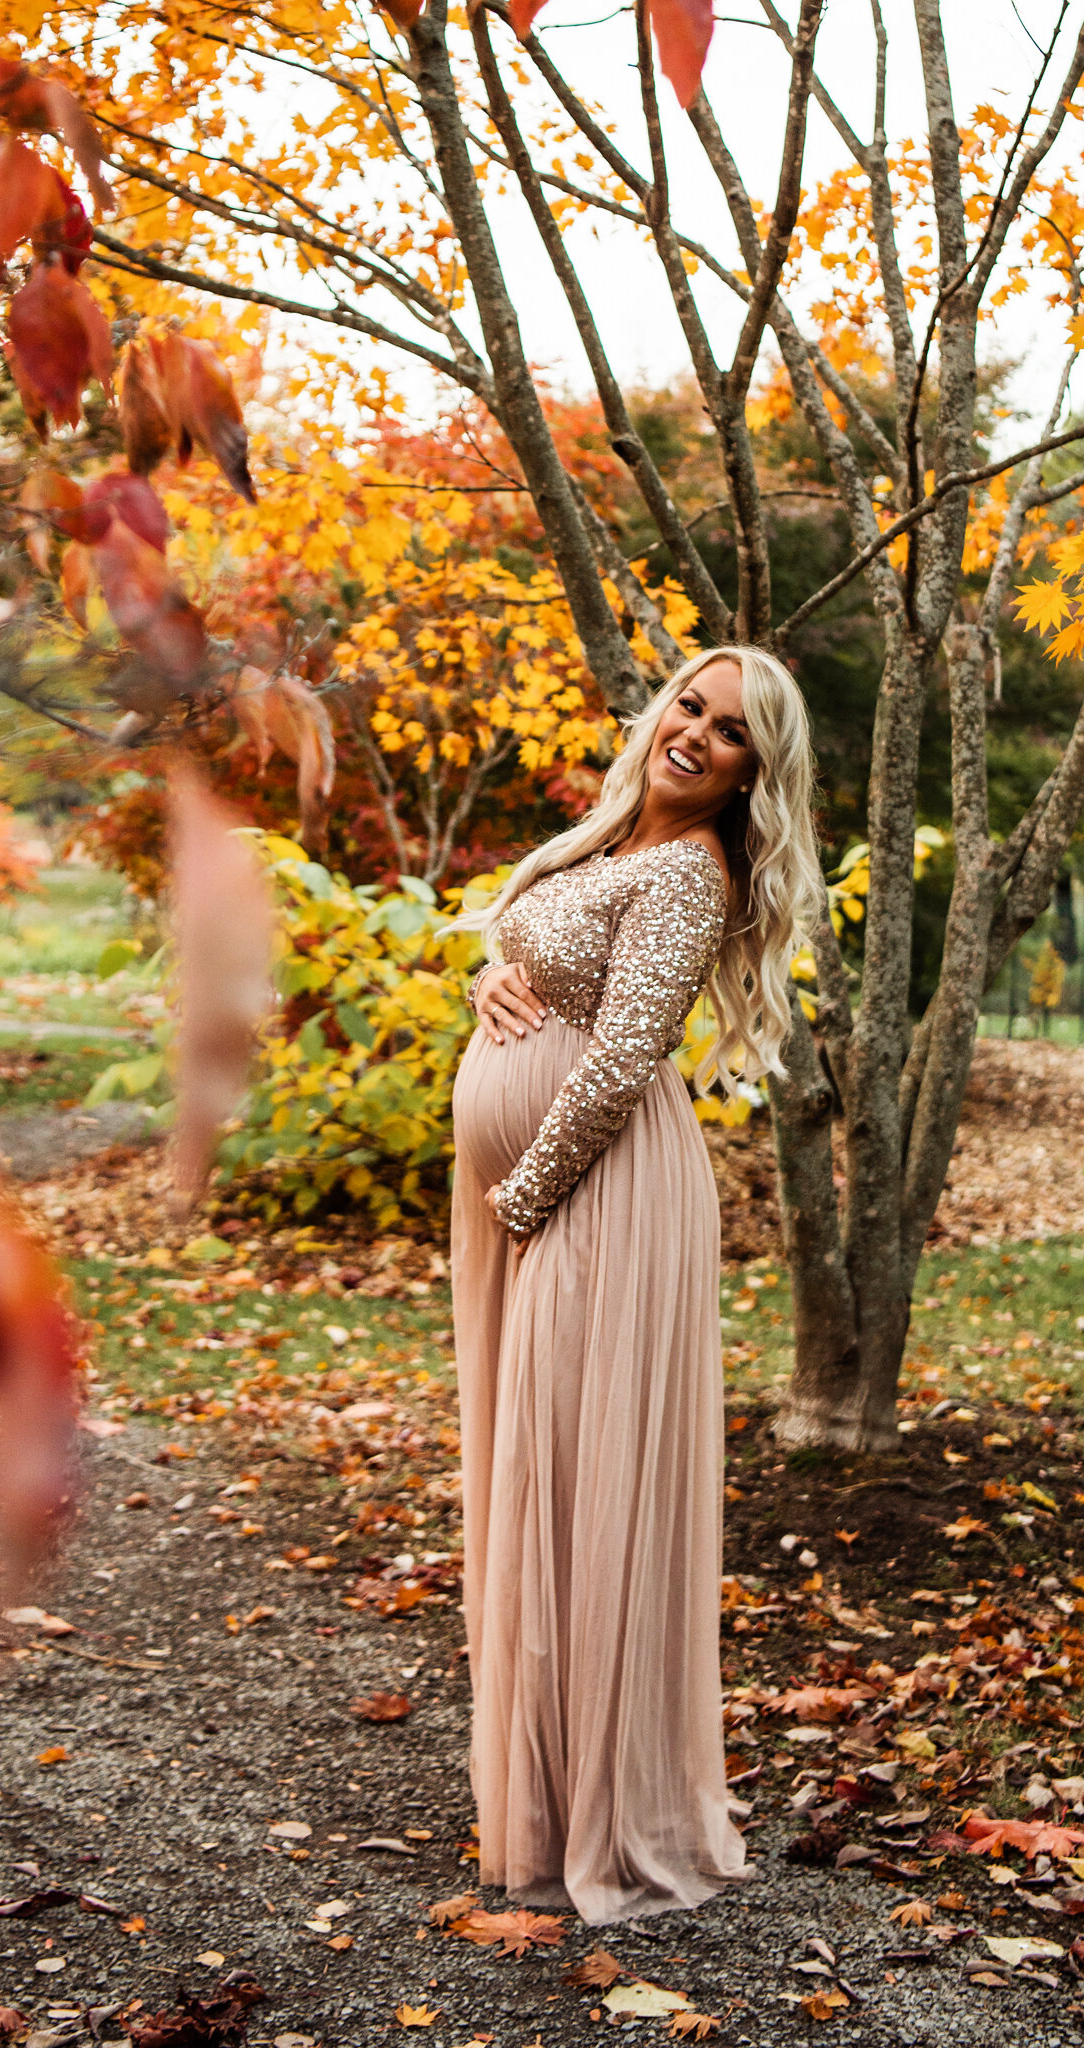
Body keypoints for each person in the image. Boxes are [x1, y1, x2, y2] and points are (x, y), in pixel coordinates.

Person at [450, 645, 823, 1924]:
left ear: (747, 778)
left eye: (728, 734)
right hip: (547, 1193)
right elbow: (517, 954)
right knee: (536, 1474)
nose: (695, 734)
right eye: (689, 704)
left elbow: (617, 1064)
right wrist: (485, 974)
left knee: (576, 1481)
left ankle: (602, 1809)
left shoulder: (687, 873)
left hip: (593, 1194)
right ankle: (552, 1793)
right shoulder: (610, 837)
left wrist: (522, 1195)